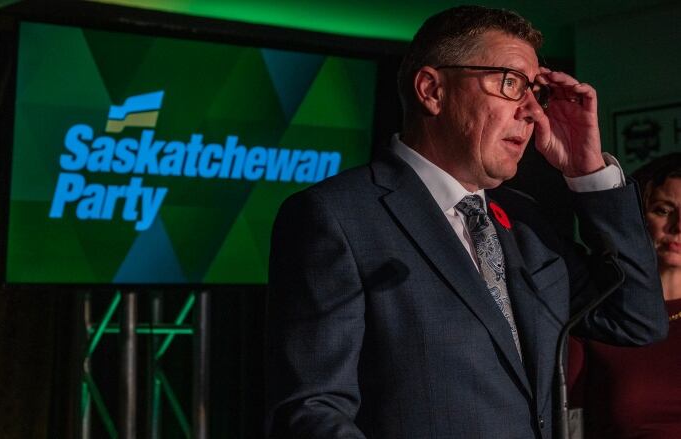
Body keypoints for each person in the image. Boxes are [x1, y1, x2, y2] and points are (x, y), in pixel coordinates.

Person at [265, 5, 668, 439]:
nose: (532, 111)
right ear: (432, 90)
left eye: (536, 91)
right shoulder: (336, 216)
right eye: (511, 83)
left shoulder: (524, 220)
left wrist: (588, 172)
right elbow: (311, 410)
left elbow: (635, 320)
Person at [568, 153, 681, 438]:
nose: (678, 227)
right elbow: (572, 423)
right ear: (637, 219)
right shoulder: (601, 317)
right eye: (664, 210)